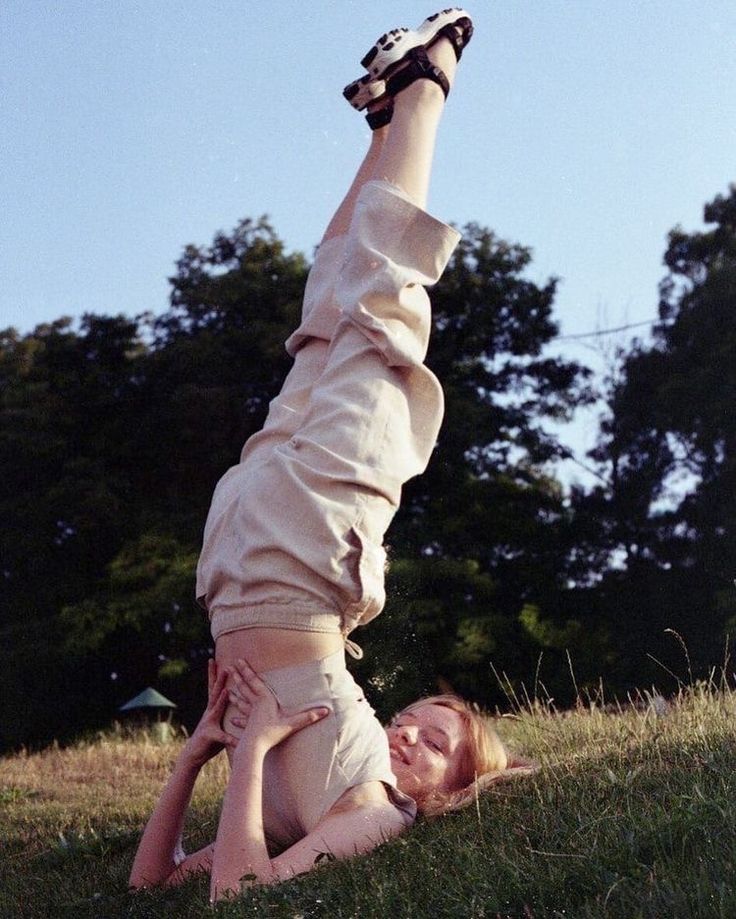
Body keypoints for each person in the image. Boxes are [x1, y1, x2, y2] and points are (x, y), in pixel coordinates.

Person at [130, 8, 533, 901]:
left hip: (245, 554)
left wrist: (213, 754)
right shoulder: (362, 787)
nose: (408, 736)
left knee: (369, 315)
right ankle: (392, 121)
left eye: (434, 745)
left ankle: (424, 85)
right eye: (418, 720)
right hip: (304, 557)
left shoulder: (382, 814)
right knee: (337, 325)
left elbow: (183, 889)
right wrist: (256, 747)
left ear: (448, 790)